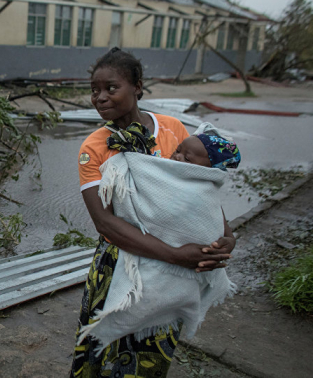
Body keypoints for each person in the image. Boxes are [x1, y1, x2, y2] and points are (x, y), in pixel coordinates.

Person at [71, 47, 236, 378]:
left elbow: (201, 189)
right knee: (99, 351)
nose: (100, 97)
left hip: (174, 272)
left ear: (137, 87)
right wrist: (175, 255)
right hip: (121, 262)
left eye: (110, 88)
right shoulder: (94, 148)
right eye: (94, 90)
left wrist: (226, 236)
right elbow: (105, 223)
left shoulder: (173, 129)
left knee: (148, 356)